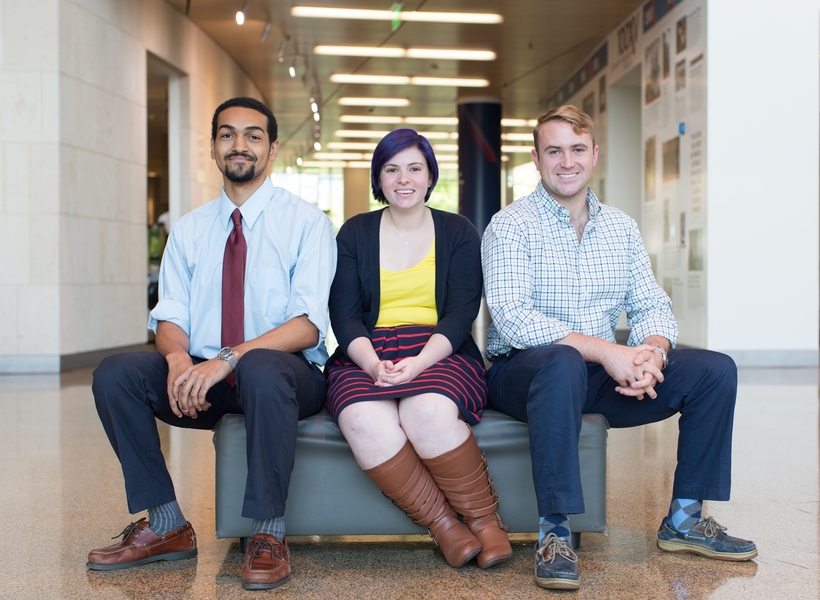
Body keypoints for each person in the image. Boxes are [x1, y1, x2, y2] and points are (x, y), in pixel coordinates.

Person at [481, 105, 756, 591]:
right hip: (524, 375)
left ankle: (686, 518)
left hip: (599, 373)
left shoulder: (621, 228)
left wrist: (651, 351)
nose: (567, 161)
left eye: (577, 150)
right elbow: (513, 319)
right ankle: (556, 531)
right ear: (537, 158)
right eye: (554, 150)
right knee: (564, 360)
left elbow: (651, 302)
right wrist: (608, 352)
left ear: (594, 155)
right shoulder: (510, 226)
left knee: (715, 370)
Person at [87, 97, 336, 591]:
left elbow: (307, 326)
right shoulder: (191, 229)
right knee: (116, 373)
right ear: (213, 146)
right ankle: (166, 524)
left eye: (252, 135)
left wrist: (228, 359)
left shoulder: (306, 223)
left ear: (273, 148)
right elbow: (170, 317)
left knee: (263, 367)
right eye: (227, 134)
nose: (238, 144)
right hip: (203, 378)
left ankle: (267, 534)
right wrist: (178, 357)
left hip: (286, 378)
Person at [325, 128, 512, 569]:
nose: (403, 178)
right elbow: (345, 315)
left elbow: (462, 312)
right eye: (391, 169)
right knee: (361, 418)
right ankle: (445, 526)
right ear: (379, 178)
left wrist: (420, 362)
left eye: (414, 168)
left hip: (440, 349)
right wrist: (372, 364)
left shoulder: (459, 231)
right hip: (366, 351)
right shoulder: (354, 232)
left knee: (425, 411)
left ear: (430, 175)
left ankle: (486, 523)